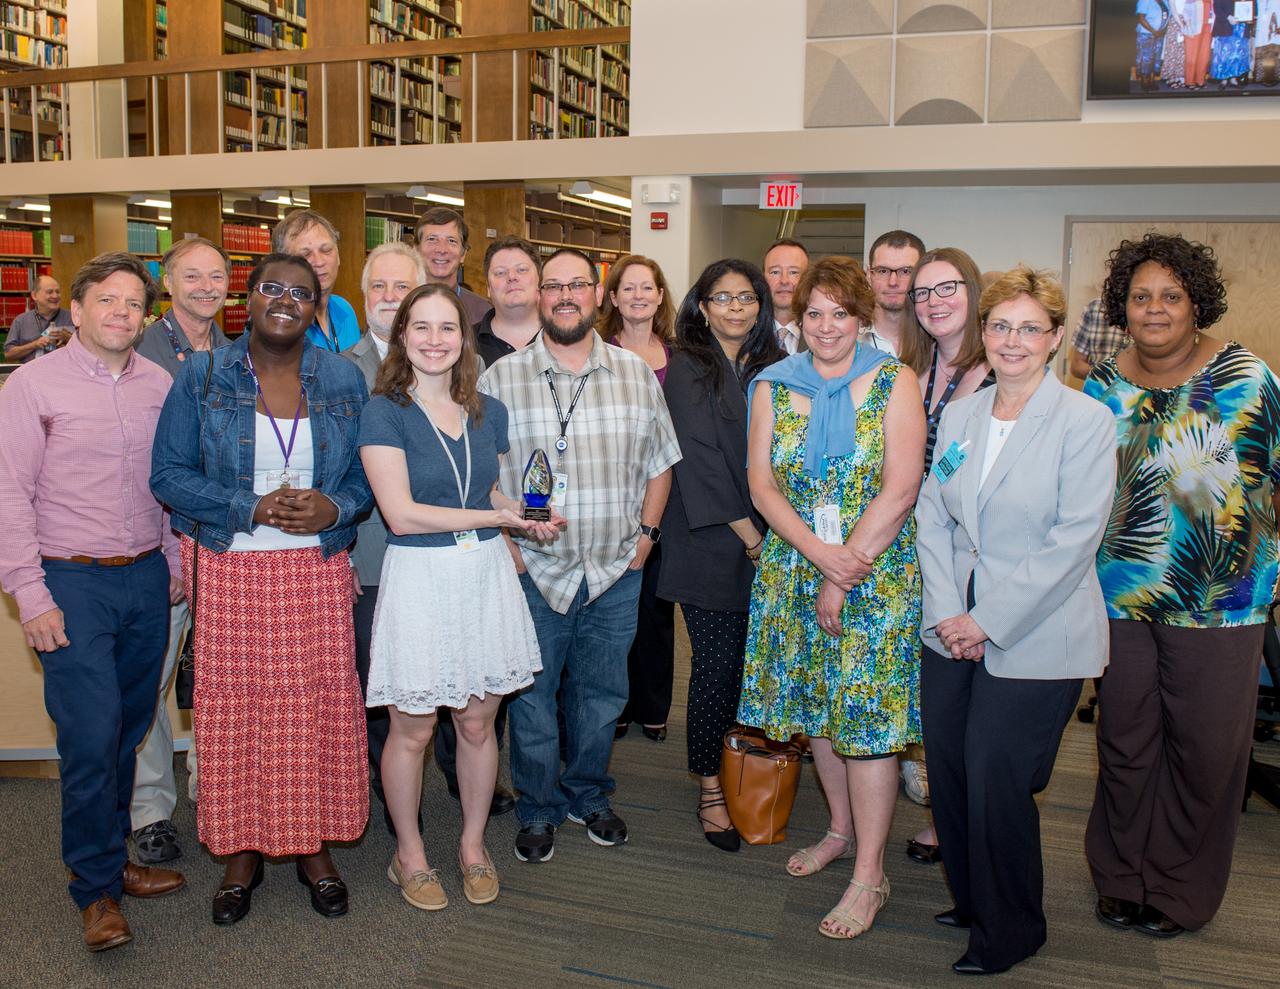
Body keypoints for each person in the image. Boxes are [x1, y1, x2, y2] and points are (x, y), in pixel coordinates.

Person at [150, 253, 373, 925]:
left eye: (300, 292)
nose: (285, 299)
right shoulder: (203, 375)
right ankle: (241, 851)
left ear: (317, 304)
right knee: (239, 713)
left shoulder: (340, 377)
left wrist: (335, 509)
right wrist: (248, 506)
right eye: (271, 288)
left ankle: (312, 847)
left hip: (314, 570)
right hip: (231, 568)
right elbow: (168, 474)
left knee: (312, 708)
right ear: (244, 300)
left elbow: (368, 481)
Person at [915, 265, 1116, 976]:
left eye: (1030, 327)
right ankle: (973, 899)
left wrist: (986, 619)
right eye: (1001, 325)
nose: (1013, 340)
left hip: (1039, 632)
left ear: (1056, 337)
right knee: (950, 766)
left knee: (996, 772)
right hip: (949, 623)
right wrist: (947, 612)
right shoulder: (965, 415)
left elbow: (1073, 540)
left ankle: (1011, 928)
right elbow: (932, 515)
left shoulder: (1086, 422)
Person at [1085, 233, 1280, 939]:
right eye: (1141, 296)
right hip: (1120, 595)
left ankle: (1180, 889)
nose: (1155, 308)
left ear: (1197, 303)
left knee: (1205, 749)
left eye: (1171, 295)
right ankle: (1121, 875)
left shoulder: (1248, 377)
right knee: (1125, 740)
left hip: (1223, 601)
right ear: (1122, 308)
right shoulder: (1103, 384)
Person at [0, 252, 186, 952]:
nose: (120, 313)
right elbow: (9, 493)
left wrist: (171, 560)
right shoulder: (32, 385)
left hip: (144, 578)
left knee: (126, 728)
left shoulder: (158, 385)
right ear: (75, 311)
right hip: (68, 582)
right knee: (88, 736)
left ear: (146, 316)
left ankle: (113, 859)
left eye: (133, 303)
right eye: (106, 300)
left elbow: (167, 481)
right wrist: (30, 593)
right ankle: (95, 891)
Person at [739, 255, 925, 939]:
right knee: (817, 706)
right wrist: (817, 556)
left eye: (839, 312)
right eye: (813, 312)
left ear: (862, 317)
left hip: (873, 574)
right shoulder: (772, 385)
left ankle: (870, 872)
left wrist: (841, 570)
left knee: (868, 723)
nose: (825, 325)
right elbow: (761, 485)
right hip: (794, 567)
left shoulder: (893, 381)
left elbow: (901, 486)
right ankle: (841, 831)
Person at [479, 247, 681, 864]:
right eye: (552, 286)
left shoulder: (634, 373)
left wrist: (646, 539)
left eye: (577, 286)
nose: (565, 296)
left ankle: (589, 794)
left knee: (601, 697)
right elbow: (479, 475)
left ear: (599, 295)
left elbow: (660, 465)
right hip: (533, 571)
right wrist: (510, 551)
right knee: (533, 702)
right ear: (539, 297)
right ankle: (538, 808)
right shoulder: (500, 379)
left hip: (615, 570)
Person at [359, 283, 551, 909]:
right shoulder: (383, 411)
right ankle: (408, 855)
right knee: (411, 730)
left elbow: (490, 493)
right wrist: (492, 520)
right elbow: (402, 514)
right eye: (422, 327)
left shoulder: (487, 409)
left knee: (476, 721)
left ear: (464, 339)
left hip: (483, 577)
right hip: (421, 579)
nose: (435, 340)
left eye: (448, 328)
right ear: (403, 336)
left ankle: (471, 845)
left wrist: (524, 515)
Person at [661, 259, 783, 852]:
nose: (736, 307)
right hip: (712, 541)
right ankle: (711, 786)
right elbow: (699, 461)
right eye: (722, 297)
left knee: (754, 670)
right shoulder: (688, 366)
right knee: (715, 671)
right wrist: (753, 537)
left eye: (746, 297)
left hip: (777, 536)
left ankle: (748, 769)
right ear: (702, 306)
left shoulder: (776, 366)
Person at [130, 236, 233, 864]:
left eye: (216, 276)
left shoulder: (239, 356)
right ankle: (149, 807)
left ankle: (211, 785)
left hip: (222, 545)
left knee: (217, 676)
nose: (205, 286)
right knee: (155, 677)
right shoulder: (139, 354)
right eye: (191, 276)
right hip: (159, 542)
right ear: (167, 283)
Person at [345, 241, 426, 833]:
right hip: (372, 553)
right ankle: (382, 788)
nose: (390, 300)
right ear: (363, 295)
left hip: (441, 555)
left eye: (402, 288)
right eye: (380, 287)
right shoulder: (342, 371)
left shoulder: (446, 363)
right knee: (380, 678)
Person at [599, 255, 677, 744]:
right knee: (613, 612)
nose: (637, 296)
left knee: (655, 611)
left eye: (646, 288)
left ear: (660, 295)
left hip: (668, 497)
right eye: (627, 289)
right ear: (612, 298)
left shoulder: (680, 356)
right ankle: (619, 703)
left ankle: (654, 705)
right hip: (615, 499)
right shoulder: (597, 353)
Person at [272, 208, 361, 353]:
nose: (319, 262)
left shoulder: (345, 309)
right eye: (305, 254)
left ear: (338, 256)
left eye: (326, 250)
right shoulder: (275, 322)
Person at [415, 206, 490, 327]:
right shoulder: (399, 304)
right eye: (432, 239)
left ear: (463, 254)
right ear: (416, 250)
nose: (441, 249)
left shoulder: (483, 313)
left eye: (451, 241)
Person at [474, 235, 542, 366]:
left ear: (540, 280)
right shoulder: (465, 343)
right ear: (488, 287)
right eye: (500, 273)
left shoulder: (564, 338)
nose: (512, 277)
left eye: (521, 270)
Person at [861, 230, 924, 358]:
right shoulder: (848, 339)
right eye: (883, 271)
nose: (893, 282)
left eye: (905, 271)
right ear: (869, 275)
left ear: (922, 274)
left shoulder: (938, 340)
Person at [3, 274, 74, 363]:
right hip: (30, 374)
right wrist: (34, 345)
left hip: (64, 373)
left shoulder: (73, 317)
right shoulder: (21, 321)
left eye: (57, 292)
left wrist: (69, 338)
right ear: (34, 295)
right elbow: (8, 354)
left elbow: (89, 348)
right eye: (50, 292)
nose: (55, 296)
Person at [763, 238, 809, 354]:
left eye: (793, 272)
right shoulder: (745, 333)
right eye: (775, 272)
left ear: (808, 278)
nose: (784, 281)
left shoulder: (824, 334)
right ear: (762, 278)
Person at [1068, 297, 1128, 381]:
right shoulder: (1095, 308)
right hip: (1096, 391)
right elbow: (1076, 366)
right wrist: (1105, 376)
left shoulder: (1146, 311)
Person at [1210, 0, 1252, 87]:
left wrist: (1250, 17)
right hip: (1225, 25)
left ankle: (1234, 79)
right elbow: (1217, 8)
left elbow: (1251, 5)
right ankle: (1223, 80)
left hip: (1241, 27)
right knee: (1223, 55)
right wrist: (1228, 17)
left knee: (1237, 54)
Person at [1135, 0, 1170, 91]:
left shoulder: (1165, 1)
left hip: (1159, 34)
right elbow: (1141, 18)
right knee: (1146, 58)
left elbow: (1167, 16)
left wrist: (1163, 30)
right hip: (1146, 34)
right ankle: (1145, 82)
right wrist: (1154, 32)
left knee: (1156, 58)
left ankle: (1152, 80)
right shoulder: (1145, 1)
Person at [1183, 0, 1213, 87]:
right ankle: (1189, 81)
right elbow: (1184, 10)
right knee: (1192, 57)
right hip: (1193, 27)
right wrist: (1188, 26)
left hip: (1207, 27)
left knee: (1204, 56)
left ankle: (1200, 80)